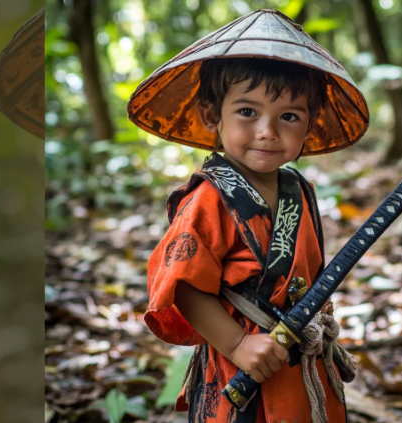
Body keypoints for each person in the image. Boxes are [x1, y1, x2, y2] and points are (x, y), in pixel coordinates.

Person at [130, 9, 369, 423]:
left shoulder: (300, 191)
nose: (267, 131)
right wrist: (238, 344)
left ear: (309, 125)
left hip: (299, 359)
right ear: (211, 115)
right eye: (247, 112)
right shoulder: (209, 199)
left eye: (289, 117)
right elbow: (181, 285)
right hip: (241, 369)